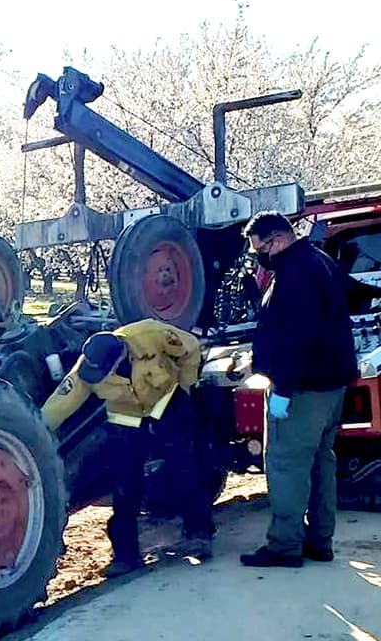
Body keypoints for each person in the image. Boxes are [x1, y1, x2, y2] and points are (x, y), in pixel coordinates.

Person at [41, 318, 216, 577]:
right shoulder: (89, 367)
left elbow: (189, 347)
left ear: (119, 360)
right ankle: (126, 556)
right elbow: (62, 402)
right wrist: (38, 430)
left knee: (183, 469)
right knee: (125, 487)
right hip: (126, 420)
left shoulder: (150, 334)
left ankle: (199, 533)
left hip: (166, 403)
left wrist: (187, 386)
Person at [240, 211, 359, 568]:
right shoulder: (318, 260)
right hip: (330, 383)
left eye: (259, 248)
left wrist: (283, 389)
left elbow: (297, 337)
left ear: (276, 240)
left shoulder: (295, 274)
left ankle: (284, 546)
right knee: (321, 462)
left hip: (304, 388)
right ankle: (320, 540)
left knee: (286, 464)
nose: (259, 256)